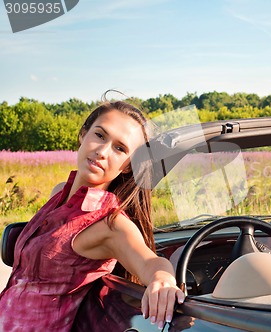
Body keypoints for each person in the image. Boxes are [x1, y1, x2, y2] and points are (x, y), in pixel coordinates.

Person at [0, 99, 184, 331]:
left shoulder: (109, 224)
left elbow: (150, 262)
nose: (102, 151)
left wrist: (163, 280)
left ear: (128, 166)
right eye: (99, 135)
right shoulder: (59, 194)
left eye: (120, 149)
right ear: (83, 135)